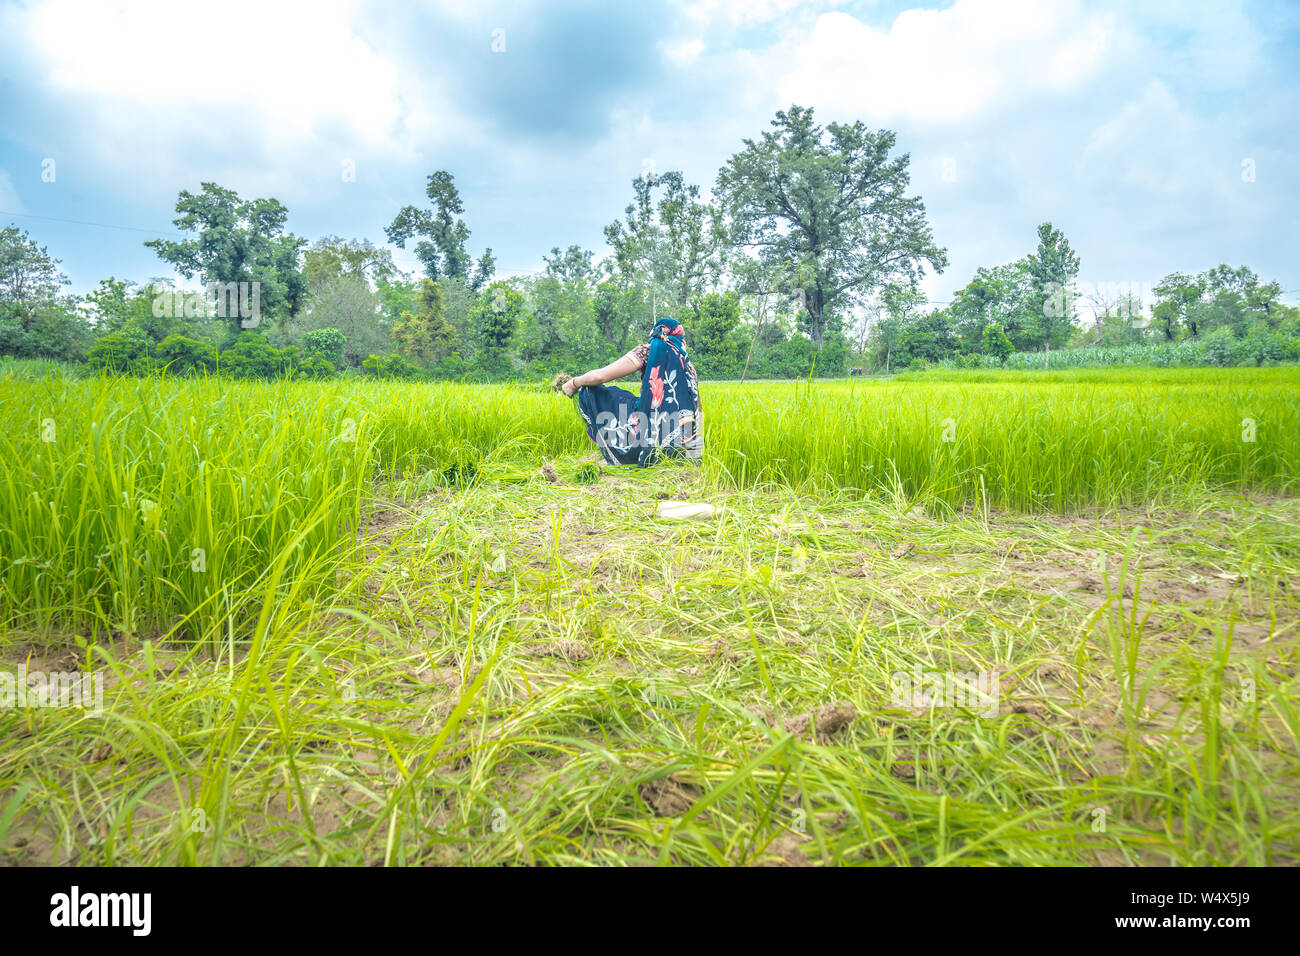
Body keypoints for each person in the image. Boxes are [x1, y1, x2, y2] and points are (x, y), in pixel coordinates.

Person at [558, 316, 703, 467]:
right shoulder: (689, 366)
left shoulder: (648, 351)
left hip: (648, 433)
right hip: (681, 438)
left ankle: (636, 456)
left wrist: (575, 383)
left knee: (598, 391)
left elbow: (600, 376)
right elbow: (697, 411)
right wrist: (695, 454)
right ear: (681, 340)